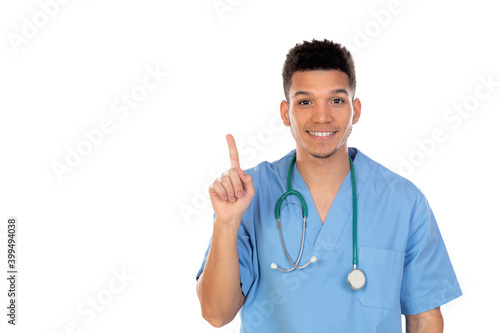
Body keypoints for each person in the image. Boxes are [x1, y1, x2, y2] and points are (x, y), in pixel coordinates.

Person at [195, 39, 462, 332]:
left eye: (336, 100)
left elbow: (424, 318)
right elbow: (216, 314)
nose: (322, 117)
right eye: (305, 101)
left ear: (355, 110)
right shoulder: (248, 194)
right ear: (286, 113)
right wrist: (227, 223)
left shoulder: (403, 201)